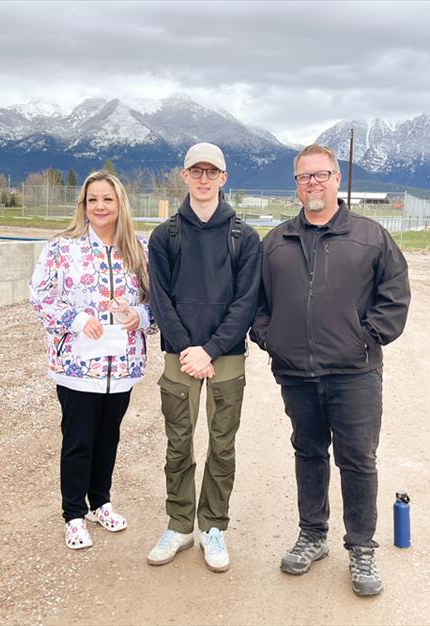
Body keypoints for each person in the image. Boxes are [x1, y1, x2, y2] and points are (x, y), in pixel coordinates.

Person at [250, 144, 411, 596]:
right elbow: (255, 303)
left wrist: (368, 337)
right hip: (296, 374)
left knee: (358, 460)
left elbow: (395, 292)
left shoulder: (370, 236)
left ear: (337, 179)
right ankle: (313, 536)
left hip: (355, 373)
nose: (313, 183)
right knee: (308, 453)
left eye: (321, 175)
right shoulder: (276, 242)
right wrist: (273, 339)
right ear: (296, 184)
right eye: (304, 177)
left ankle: (361, 548)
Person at [148, 142, 261, 572]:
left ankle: (213, 526)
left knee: (222, 444)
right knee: (178, 443)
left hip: (226, 354)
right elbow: (161, 299)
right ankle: (179, 525)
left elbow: (246, 301)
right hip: (180, 353)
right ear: (185, 176)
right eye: (196, 171)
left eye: (211, 172)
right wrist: (188, 350)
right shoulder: (166, 236)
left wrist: (211, 349)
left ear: (223, 178)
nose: (203, 178)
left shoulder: (244, 238)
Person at [30, 171, 156, 550]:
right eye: (92, 200)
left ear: (120, 204)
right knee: (79, 441)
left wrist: (141, 317)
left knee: (108, 439)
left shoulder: (139, 249)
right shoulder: (61, 247)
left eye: (107, 199)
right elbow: (40, 296)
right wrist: (78, 319)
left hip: (120, 366)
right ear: (83, 205)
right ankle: (73, 514)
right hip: (78, 368)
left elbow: (156, 301)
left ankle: (100, 502)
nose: (99, 206)